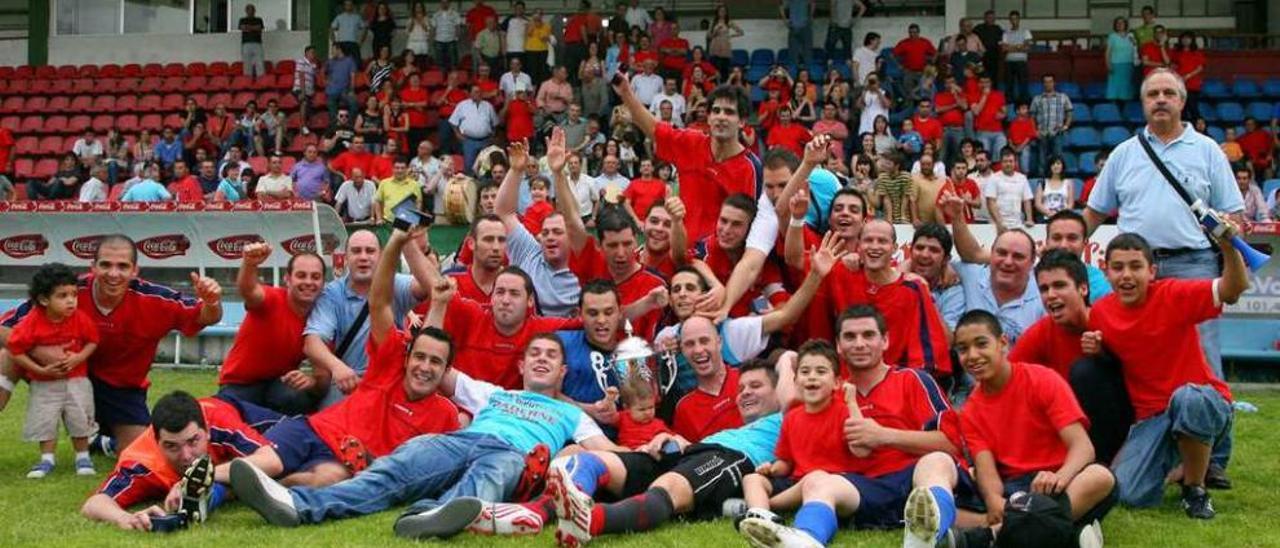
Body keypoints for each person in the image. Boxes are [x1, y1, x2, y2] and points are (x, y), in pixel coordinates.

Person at [230, 331, 620, 539]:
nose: (541, 359)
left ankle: (431, 515)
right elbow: (432, 360)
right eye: (534, 353)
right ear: (521, 364)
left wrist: (655, 444)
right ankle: (297, 505)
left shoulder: (571, 414)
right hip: (462, 440)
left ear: (563, 373)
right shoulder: (494, 393)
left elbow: (609, 453)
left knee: (491, 475)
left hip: (513, 453)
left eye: (551, 356)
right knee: (395, 468)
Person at [1083, 69, 1245, 485]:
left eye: (1168, 93)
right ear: (1142, 103)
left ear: (1182, 100)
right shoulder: (1123, 153)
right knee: (1132, 358)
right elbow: (1095, 210)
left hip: (1193, 262)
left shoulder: (1208, 150)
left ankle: (1214, 459)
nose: (1160, 99)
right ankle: (1145, 442)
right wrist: (1065, 246)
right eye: (1152, 93)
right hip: (1135, 269)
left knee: (1204, 360)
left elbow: (1233, 213)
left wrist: (1230, 240)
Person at [734, 307, 961, 548]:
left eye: (868, 335)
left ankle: (924, 536)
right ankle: (806, 538)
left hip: (912, 477)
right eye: (850, 337)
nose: (859, 344)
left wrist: (884, 436)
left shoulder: (912, 380)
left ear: (885, 340)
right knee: (821, 482)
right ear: (839, 346)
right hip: (861, 487)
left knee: (936, 460)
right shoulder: (830, 393)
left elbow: (951, 443)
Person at [1093, 232, 1247, 518]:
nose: (1126, 275)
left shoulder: (1172, 293)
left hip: (1201, 403)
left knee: (1189, 397)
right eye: (1118, 267)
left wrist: (1228, 247)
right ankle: (1184, 465)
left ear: (1152, 271)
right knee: (1127, 493)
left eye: (1136, 266)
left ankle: (1195, 489)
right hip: (1152, 419)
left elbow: (1234, 289)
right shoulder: (1100, 313)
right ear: (1106, 271)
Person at [951, 309, 1116, 541]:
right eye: (963, 349)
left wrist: (1059, 477)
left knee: (1100, 477)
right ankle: (1070, 535)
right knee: (954, 505)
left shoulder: (1041, 379)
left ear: (1003, 344)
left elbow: (1083, 447)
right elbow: (987, 472)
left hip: (1060, 482)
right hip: (1016, 491)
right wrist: (994, 501)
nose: (973, 355)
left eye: (981, 344)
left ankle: (991, 535)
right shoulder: (970, 411)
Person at [81, 391, 272, 530]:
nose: (186, 456)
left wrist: (194, 480)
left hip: (241, 411)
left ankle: (211, 492)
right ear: (157, 442)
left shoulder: (218, 422)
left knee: (290, 473)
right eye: (172, 446)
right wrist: (125, 518)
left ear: (206, 431)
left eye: (193, 441)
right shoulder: (142, 462)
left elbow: (272, 460)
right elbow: (94, 504)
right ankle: (211, 494)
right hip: (231, 464)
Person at [1007, 249, 1129, 464]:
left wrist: (1106, 354)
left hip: (1127, 424)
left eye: (1059, 285)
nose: (1051, 295)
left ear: (1083, 288)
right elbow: (1002, 380)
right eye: (1044, 289)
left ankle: (1101, 464)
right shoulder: (1040, 332)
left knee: (1086, 371)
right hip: (1071, 428)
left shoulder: (1112, 320)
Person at [611, 73, 762, 245]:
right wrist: (626, 93)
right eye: (716, 111)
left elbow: (750, 225)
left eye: (729, 112)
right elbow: (653, 129)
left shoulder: (750, 167)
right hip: (681, 249)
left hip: (720, 258)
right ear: (709, 118)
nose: (721, 117)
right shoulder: (691, 142)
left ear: (742, 121)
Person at [302, 230, 428, 407]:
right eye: (356, 251)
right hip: (349, 382)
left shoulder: (396, 283)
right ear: (346, 257)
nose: (363, 257)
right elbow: (312, 341)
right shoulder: (332, 294)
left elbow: (430, 286)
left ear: (381, 255)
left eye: (370, 251)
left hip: (392, 383)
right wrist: (337, 367)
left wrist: (407, 244)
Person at [7, 264, 99, 478]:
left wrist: (78, 358)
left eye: (74, 295)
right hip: (44, 383)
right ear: (44, 300)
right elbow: (15, 348)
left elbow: (93, 341)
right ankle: (46, 460)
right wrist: (41, 369)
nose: (71, 301)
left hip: (77, 380)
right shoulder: (32, 321)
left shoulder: (80, 318)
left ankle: (82, 457)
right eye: (62, 296)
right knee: (45, 418)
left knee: (80, 417)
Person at [214, 243, 325, 415]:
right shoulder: (273, 299)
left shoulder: (321, 319)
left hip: (279, 386)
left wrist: (311, 381)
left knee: (300, 398)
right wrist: (250, 264)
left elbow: (323, 378)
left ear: (323, 282)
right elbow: (248, 290)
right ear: (287, 279)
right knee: (225, 420)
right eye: (301, 276)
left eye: (315, 277)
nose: (308, 282)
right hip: (240, 385)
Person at [940, 194, 1045, 344]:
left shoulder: (1044, 292)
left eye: (1018, 256)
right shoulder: (973, 275)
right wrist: (909, 265)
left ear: (1032, 262)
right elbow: (930, 262)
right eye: (1001, 253)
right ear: (990, 254)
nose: (1008, 262)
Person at [450, 85, 499, 175]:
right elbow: (453, 122)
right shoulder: (462, 105)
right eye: (475, 91)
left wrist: (492, 135)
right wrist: (458, 134)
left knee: (485, 166)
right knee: (469, 166)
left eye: (479, 91)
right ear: (470, 94)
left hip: (485, 140)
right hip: (469, 141)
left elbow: (495, 123)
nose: (478, 94)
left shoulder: (488, 106)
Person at [984, 147, 1034, 231]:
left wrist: (1029, 219)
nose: (1008, 164)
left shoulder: (1022, 178)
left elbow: (1027, 200)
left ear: (1015, 162)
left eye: (1011, 161)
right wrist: (999, 223)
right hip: (997, 225)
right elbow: (990, 202)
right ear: (1001, 163)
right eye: (1005, 161)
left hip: (1018, 224)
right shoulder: (994, 178)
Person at [894, 24, 936, 97]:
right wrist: (899, 65)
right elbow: (893, 54)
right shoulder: (904, 43)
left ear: (918, 32)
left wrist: (931, 63)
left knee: (925, 92)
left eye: (915, 32)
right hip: (909, 72)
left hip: (923, 72)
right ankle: (910, 106)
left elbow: (935, 53)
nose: (912, 34)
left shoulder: (925, 42)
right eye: (910, 32)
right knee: (908, 92)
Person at [1000, 11, 1032, 104]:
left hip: (1021, 62)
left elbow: (1027, 48)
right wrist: (1019, 46)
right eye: (1012, 19)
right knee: (1009, 85)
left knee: (1023, 84)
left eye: (1016, 19)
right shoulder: (1006, 32)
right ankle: (1010, 104)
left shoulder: (1025, 31)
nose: (1014, 21)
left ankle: (1023, 103)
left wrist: (1011, 47)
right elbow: (1004, 49)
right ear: (1010, 20)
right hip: (1009, 62)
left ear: (1019, 19)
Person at [1105, 17, 1137, 101]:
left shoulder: (1131, 36)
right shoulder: (1112, 36)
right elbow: (1108, 52)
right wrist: (1108, 65)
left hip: (1129, 65)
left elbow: (1135, 48)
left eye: (1122, 23)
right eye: (1117, 23)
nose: (1120, 25)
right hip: (1115, 65)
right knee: (1115, 88)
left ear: (1125, 24)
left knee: (1127, 88)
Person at [325, 49, 359, 122]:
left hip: (345, 90)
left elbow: (353, 76)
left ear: (339, 50)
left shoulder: (349, 60)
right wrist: (326, 81)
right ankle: (336, 125)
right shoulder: (331, 61)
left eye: (333, 50)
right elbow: (323, 71)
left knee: (354, 104)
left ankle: (348, 123)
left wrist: (352, 90)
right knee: (331, 104)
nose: (332, 52)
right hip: (332, 91)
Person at [431, 0, 462, 72]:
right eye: (442, 2)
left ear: (449, 3)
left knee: (453, 63)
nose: (444, 4)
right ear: (440, 3)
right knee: (440, 63)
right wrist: (433, 40)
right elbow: (433, 28)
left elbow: (458, 27)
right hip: (439, 41)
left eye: (446, 2)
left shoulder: (455, 14)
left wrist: (456, 39)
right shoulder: (435, 15)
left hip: (451, 41)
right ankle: (442, 80)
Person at [238, 4, 265, 77]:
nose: (251, 11)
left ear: (255, 11)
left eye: (252, 10)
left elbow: (259, 28)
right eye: (249, 10)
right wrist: (253, 28)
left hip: (257, 43)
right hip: (246, 43)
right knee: (247, 62)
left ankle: (261, 78)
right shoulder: (242, 20)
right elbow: (242, 28)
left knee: (259, 61)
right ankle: (247, 79)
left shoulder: (259, 19)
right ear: (246, 11)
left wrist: (248, 27)